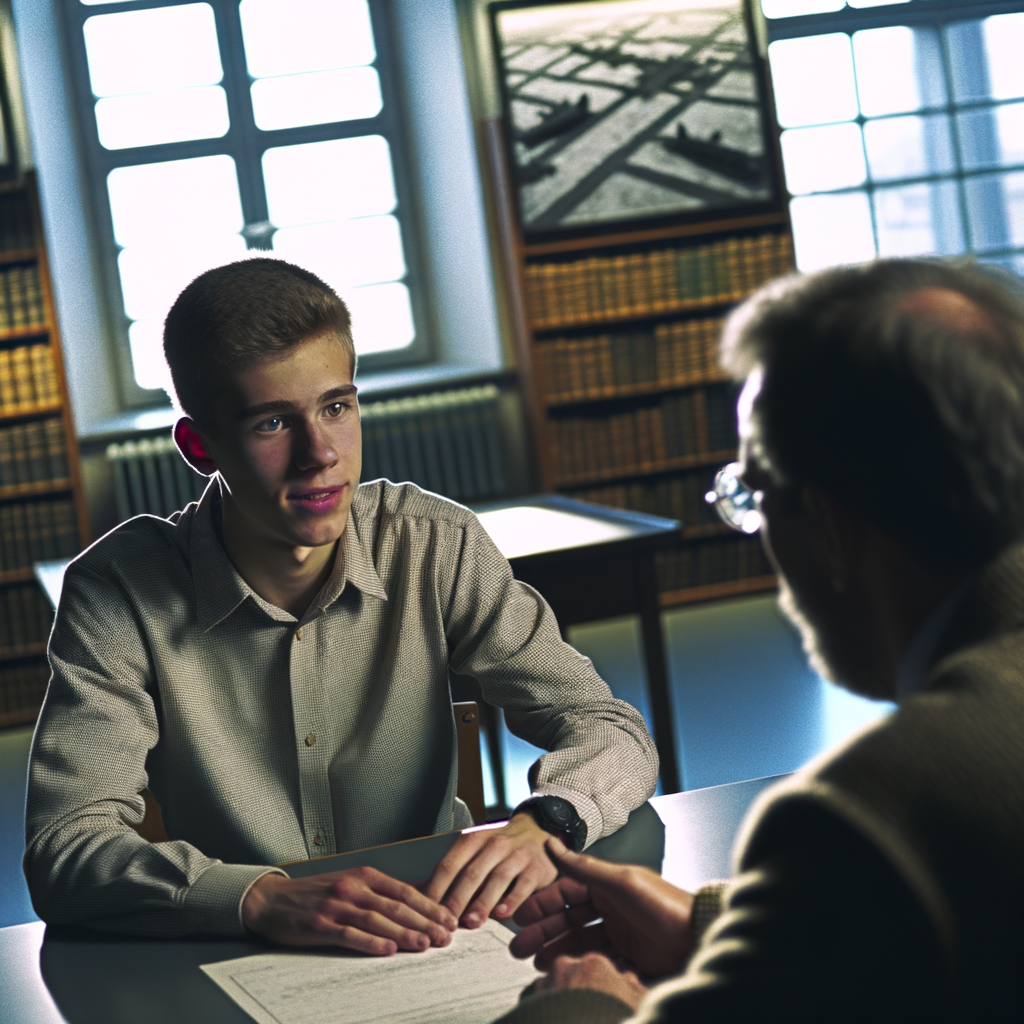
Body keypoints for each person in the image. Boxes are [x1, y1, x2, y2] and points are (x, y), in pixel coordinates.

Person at [24, 258, 658, 954]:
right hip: (246, 947)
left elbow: (606, 725)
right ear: (199, 446)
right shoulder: (116, 592)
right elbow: (66, 847)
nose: (320, 454)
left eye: (336, 406)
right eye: (271, 423)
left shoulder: (434, 543)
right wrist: (256, 895)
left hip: (443, 931)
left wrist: (551, 817)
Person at [495, 257, 1024, 1023]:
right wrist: (718, 930)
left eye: (752, 498)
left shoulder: (875, 807)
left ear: (829, 528)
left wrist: (581, 1008)